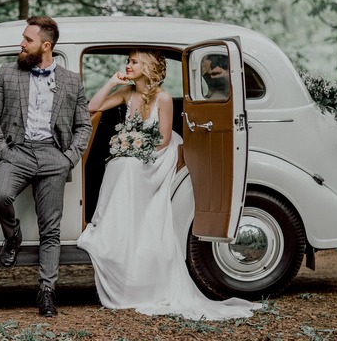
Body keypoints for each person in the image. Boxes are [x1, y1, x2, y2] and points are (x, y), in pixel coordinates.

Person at [77, 49, 260, 320]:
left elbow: (162, 139)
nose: (128, 65)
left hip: (159, 154)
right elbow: (93, 106)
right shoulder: (127, 93)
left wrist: (134, 149)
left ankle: (118, 225)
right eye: (128, 61)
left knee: (124, 165)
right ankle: (114, 230)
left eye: (134, 62)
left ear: (148, 67)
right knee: (118, 164)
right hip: (135, 153)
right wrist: (112, 82)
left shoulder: (163, 98)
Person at [0, 16, 92, 317]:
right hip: (16, 152)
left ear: (45, 46)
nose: (21, 43)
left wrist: (69, 157)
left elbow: (84, 125)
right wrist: (3, 150)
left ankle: (46, 292)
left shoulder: (71, 81)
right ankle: (12, 235)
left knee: (50, 231)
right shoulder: (7, 73)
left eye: (27, 39)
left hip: (53, 156)